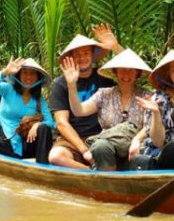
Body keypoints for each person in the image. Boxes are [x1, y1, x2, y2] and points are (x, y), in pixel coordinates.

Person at [61, 49, 152, 171]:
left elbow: (150, 125)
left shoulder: (147, 96)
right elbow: (79, 110)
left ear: (138, 73)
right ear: (115, 71)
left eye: (131, 70)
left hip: (135, 149)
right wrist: (71, 85)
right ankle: (107, 183)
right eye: (122, 69)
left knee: (144, 152)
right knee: (99, 146)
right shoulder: (104, 94)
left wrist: (137, 140)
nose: (126, 74)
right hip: (108, 151)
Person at [48, 24, 124, 169]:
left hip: (102, 137)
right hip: (72, 139)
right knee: (56, 156)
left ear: (92, 55)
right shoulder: (61, 83)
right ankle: (92, 173)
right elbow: (62, 123)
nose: (82, 58)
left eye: (86, 53)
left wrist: (115, 47)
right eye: (77, 55)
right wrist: (83, 150)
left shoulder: (105, 78)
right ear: (71, 58)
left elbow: (131, 72)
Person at [130, 50, 174, 170]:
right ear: (169, 75)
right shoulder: (158, 98)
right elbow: (158, 142)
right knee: (172, 150)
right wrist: (156, 112)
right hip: (166, 155)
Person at [0, 57, 55, 164]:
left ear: (38, 77)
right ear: (19, 75)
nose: (28, 77)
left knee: (44, 128)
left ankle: (42, 165)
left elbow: (51, 123)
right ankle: (19, 160)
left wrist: (37, 125)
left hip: (28, 142)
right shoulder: (8, 89)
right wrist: (5, 72)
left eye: (32, 74)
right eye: (25, 73)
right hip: (8, 141)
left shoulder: (39, 100)